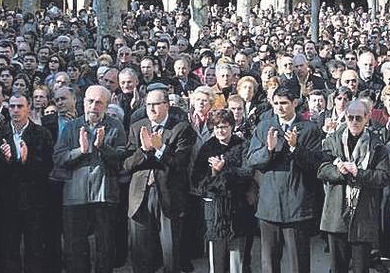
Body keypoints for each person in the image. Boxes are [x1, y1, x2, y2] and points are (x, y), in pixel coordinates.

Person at [247, 86, 323, 273]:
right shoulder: (264, 126)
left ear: (294, 103)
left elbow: (315, 164)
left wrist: (295, 149)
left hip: (297, 206)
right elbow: (252, 160)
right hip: (269, 206)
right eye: (276, 103)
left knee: (299, 262)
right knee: (269, 263)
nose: (279, 108)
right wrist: (269, 150)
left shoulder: (309, 128)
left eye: (284, 103)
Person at [52, 85, 127, 273]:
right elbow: (59, 158)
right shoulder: (71, 126)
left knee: (105, 247)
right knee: (75, 247)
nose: (93, 106)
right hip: (75, 196)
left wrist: (102, 146)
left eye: (99, 102)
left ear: (106, 105)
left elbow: (121, 160)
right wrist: (81, 151)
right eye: (90, 101)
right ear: (82, 102)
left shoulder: (115, 125)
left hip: (105, 195)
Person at [124, 86, 197, 273]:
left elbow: (179, 164)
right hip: (140, 196)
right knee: (140, 253)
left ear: (167, 105)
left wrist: (160, 149)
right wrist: (145, 151)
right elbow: (127, 164)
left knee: (170, 252)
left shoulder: (181, 129)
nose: (151, 109)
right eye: (148, 104)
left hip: (168, 197)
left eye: (156, 104)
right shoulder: (137, 127)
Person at [0, 93, 54, 273]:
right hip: (7, 201)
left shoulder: (42, 134)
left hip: (34, 201)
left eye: (20, 106)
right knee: (9, 248)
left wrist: (26, 161)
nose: (15, 110)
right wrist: (5, 160)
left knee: (35, 248)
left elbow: (48, 166)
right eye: (12, 106)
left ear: (28, 107)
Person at [318, 99, 390, 273]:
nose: (354, 122)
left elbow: (383, 176)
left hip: (363, 216)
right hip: (336, 213)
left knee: (361, 269)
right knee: (337, 268)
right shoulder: (334, 139)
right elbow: (321, 169)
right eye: (350, 118)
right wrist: (339, 171)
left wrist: (359, 173)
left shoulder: (377, 144)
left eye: (359, 118)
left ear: (367, 118)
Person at [192, 109, 255, 273]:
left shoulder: (242, 145)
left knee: (237, 262)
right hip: (215, 211)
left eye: (224, 126)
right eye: (217, 127)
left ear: (232, 127)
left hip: (238, 207)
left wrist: (224, 168)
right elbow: (197, 180)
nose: (220, 130)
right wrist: (213, 173)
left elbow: (248, 172)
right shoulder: (207, 147)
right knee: (217, 262)